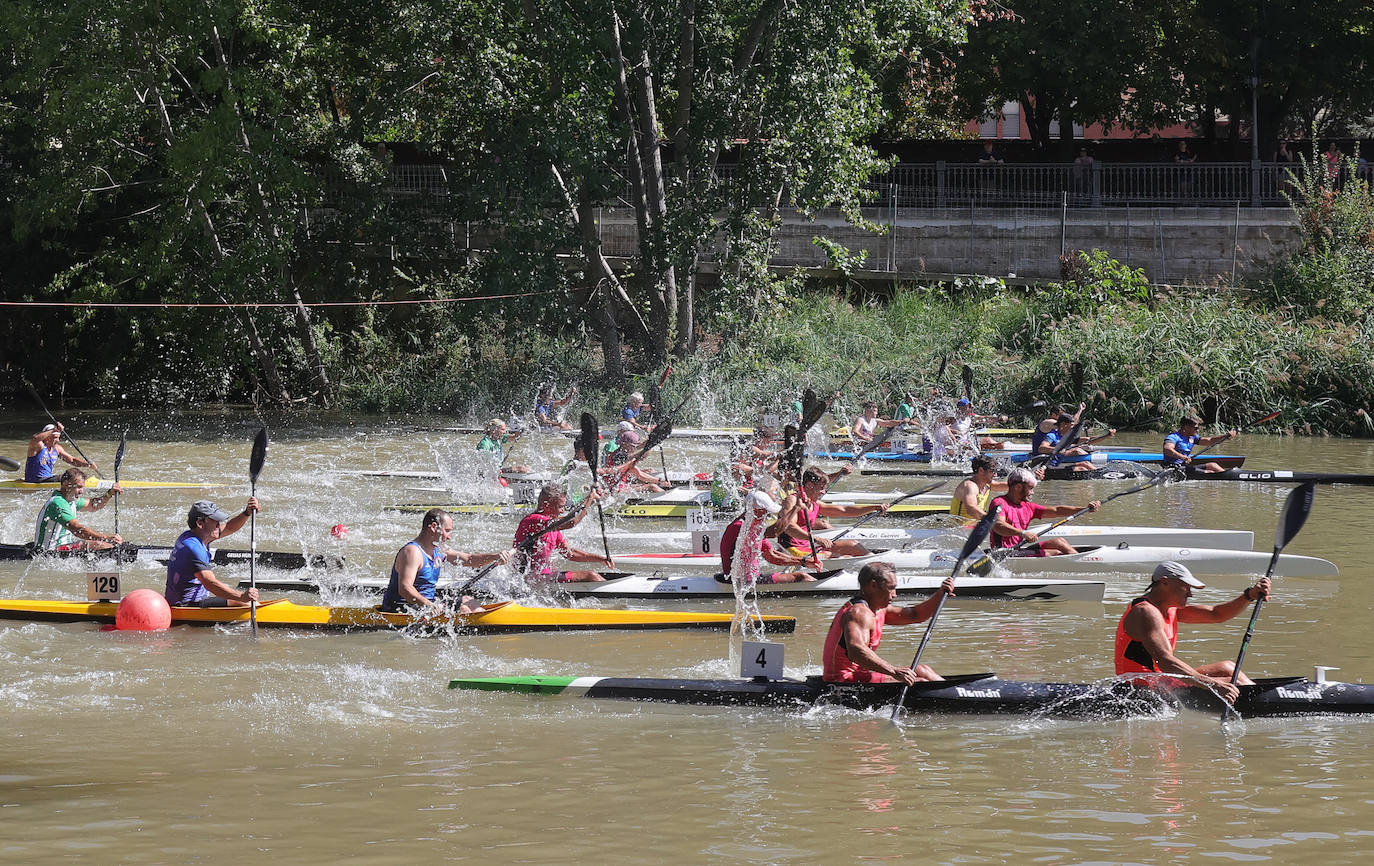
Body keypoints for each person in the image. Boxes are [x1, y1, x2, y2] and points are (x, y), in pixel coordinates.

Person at [1115, 561, 1271, 704]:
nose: (1190, 593)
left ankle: (1261, 695)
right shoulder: (1145, 612)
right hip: (1140, 689)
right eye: (1186, 587)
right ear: (1164, 582)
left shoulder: (1169, 609)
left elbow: (1216, 614)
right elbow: (1165, 661)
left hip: (1162, 679)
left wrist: (1249, 596)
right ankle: (1265, 701)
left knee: (1228, 666)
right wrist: (1214, 685)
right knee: (1235, 683)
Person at [821, 561, 956, 684]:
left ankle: (956, 689)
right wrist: (894, 671)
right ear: (873, 585)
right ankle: (958, 695)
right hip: (840, 680)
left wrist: (940, 594)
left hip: (861, 675)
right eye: (891, 588)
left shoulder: (879, 610)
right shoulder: (858, 613)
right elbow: (856, 652)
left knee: (923, 670)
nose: (895, 594)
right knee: (920, 681)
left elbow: (916, 615)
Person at [379, 509, 511, 614]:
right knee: (464, 609)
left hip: (426, 605)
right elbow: (405, 588)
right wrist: (428, 605)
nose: (449, 536)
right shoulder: (412, 552)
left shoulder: (439, 549)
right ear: (433, 527)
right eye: (447, 531)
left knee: (467, 600)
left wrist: (494, 556)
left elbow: (469, 559)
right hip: (400, 608)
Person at [775, 466, 887, 564]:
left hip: (809, 546)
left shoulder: (814, 503)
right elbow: (789, 527)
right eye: (822, 488)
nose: (824, 492)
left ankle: (877, 564)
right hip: (793, 549)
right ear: (809, 485)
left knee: (853, 545)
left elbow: (844, 510)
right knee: (842, 557)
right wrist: (816, 539)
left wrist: (873, 507)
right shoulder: (793, 500)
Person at [164, 498, 261, 607]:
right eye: (215, 521)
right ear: (200, 523)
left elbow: (229, 527)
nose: (219, 525)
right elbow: (210, 584)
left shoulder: (197, 535)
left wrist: (247, 512)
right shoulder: (192, 548)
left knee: (248, 602)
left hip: (196, 600)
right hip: (186, 605)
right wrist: (241, 597)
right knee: (248, 604)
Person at [514, 483, 613, 583]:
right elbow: (572, 522)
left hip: (545, 575)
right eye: (560, 507)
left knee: (594, 575)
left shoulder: (552, 527)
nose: (563, 511)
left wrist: (601, 559)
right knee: (591, 576)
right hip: (529, 578)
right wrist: (590, 498)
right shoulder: (533, 521)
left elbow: (570, 554)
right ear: (546, 505)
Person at [988, 467, 1100, 555]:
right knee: (1056, 553)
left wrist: (1085, 509)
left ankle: (1080, 560)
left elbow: (1057, 511)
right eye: (1030, 488)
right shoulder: (999, 503)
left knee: (1059, 542)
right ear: (1017, 487)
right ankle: (1083, 565)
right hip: (1003, 553)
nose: (1032, 493)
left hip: (1018, 549)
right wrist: (1023, 533)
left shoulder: (1028, 507)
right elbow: (998, 525)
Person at [718, 487, 816, 585]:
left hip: (751, 577)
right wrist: (795, 509)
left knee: (797, 574)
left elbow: (772, 556)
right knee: (802, 577)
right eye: (766, 511)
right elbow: (774, 532)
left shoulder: (754, 526)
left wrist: (803, 561)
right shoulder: (740, 527)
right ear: (756, 510)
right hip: (738, 581)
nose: (767, 514)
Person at [32, 468, 123, 553]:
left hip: (63, 546)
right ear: (65, 484)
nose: (82, 491)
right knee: (99, 545)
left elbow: (94, 505)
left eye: (82, 487)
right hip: (49, 551)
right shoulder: (58, 503)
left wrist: (109, 494)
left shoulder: (71, 500)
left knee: (101, 544)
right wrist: (105, 538)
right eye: (78, 487)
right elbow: (77, 529)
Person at [948, 455, 1043, 521]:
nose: (996, 474)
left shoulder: (987, 484)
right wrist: (994, 521)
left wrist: (1033, 478)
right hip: (960, 528)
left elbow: (1014, 486)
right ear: (981, 470)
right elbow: (971, 509)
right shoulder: (969, 486)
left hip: (975, 525)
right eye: (992, 471)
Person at [1034, 412, 1114, 473]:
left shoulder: (1067, 437)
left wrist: (1107, 435)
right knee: (1081, 469)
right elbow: (1041, 448)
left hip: (1055, 466)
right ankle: (1100, 476)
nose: (1073, 428)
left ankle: (1102, 474)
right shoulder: (1052, 435)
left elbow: (1089, 440)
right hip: (1046, 468)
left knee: (1086, 463)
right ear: (1063, 424)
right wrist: (1056, 449)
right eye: (1071, 425)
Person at [24, 423, 96, 483]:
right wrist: (54, 429)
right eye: (55, 437)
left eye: (59, 437)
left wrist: (87, 464)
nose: (58, 440)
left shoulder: (57, 448)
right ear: (46, 437)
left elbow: (72, 460)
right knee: (70, 477)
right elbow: (35, 438)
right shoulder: (38, 447)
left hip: (47, 479)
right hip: (35, 480)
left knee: (76, 474)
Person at [1163, 416, 1236, 474]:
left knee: (1212, 465)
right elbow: (1167, 449)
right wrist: (1182, 457)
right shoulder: (1174, 437)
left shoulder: (1192, 437)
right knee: (1210, 472)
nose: (1197, 430)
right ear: (1187, 427)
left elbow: (1210, 441)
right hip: (1172, 468)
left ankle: (1228, 476)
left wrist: (1225, 436)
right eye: (1195, 428)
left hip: (1183, 467)